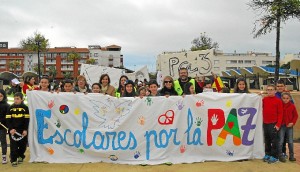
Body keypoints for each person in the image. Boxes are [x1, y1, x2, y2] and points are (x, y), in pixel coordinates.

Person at [6, 92, 29, 167]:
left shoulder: (25, 108)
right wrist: (11, 129)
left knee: (22, 145)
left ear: (22, 99)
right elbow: (8, 120)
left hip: (22, 130)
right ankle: (13, 159)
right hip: (13, 130)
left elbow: (26, 120)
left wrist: (25, 129)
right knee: (13, 146)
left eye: (17, 99)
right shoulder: (10, 108)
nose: (15, 100)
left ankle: (21, 156)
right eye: (14, 99)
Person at [262, 84, 284, 163]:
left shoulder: (278, 101)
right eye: (268, 89)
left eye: (271, 89)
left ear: (275, 91)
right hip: (265, 124)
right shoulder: (264, 99)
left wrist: (278, 124)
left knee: (274, 141)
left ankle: (274, 156)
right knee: (267, 140)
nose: (270, 91)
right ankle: (267, 154)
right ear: (266, 91)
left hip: (273, 124)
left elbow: (281, 113)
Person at [278, 92, 298, 161]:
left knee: (290, 141)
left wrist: (292, 122)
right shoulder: (279, 105)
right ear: (281, 98)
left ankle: (291, 156)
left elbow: (296, 115)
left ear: (290, 99)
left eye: (287, 98)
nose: (285, 100)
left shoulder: (292, 106)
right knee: (280, 141)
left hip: (289, 126)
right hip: (281, 125)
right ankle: (280, 155)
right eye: (284, 98)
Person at [0, 89, 10, 164]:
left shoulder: (7, 105)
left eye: (1, 96)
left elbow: (8, 116)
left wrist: (2, 121)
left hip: (2, 127)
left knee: (3, 141)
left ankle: (4, 156)